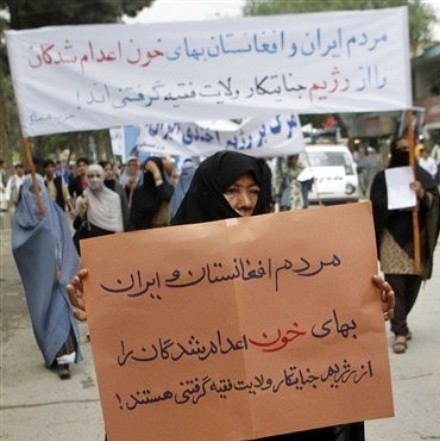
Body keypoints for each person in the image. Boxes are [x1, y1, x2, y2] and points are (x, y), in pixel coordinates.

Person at [68, 151, 394, 441]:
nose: (246, 202)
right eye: (232, 190)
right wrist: (100, 306)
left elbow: (327, 325)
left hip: (281, 419)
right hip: (200, 419)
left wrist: (365, 304)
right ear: (207, 193)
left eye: (254, 191)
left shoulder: (289, 260)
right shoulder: (167, 268)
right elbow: (141, 331)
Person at [370, 136, 440, 354]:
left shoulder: (422, 176)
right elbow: (376, 205)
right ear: (393, 151)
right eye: (400, 149)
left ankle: (401, 319)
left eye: (408, 148)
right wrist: (400, 206)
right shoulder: (382, 178)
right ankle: (400, 331)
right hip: (391, 239)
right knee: (396, 287)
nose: (405, 152)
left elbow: (436, 202)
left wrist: (422, 195)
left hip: (417, 241)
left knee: (412, 287)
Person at [12, 174, 82, 379]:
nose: (37, 195)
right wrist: (39, 234)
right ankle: (52, 354)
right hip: (39, 280)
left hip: (61, 275)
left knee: (61, 313)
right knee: (43, 317)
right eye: (32, 191)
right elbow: (19, 248)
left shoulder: (56, 212)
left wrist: (62, 265)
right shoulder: (20, 219)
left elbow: (64, 239)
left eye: (40, 190)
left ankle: (64, 360)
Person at [73, 164, 124, 254]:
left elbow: (119, 226)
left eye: (98, 175)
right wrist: (82, 213)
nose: (94, 179)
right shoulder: (82, 198)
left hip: (111, 245)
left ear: (103, 177)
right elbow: (76, 225)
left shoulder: (113, 198)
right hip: (91, 245)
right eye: (90, 176)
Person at [129, 156, 174, 230]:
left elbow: (165, 196)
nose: (149, 174)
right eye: (147, 171)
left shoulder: (167, 188)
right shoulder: (138, 192)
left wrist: (156, 173)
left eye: (152, 171)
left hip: (163, 231)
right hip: (143, 232)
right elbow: (134, 220)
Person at [99, 160, 130, 231]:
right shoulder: (98, 187)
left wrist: (126, 225)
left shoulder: (119, 187)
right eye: (105, 170)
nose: (109, 172)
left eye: (110, 169)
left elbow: (124, 206)